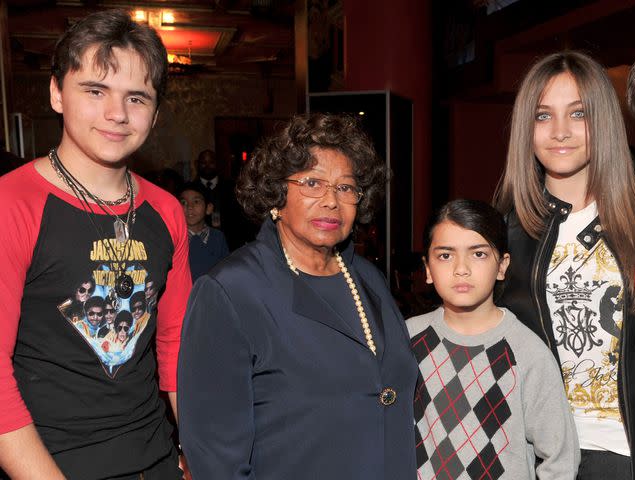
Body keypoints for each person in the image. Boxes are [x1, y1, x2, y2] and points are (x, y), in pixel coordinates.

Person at [0, 9, 191, 480]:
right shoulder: (12, 204)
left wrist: (201, 448)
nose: (117, 114)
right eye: (95, 90)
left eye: (137, 98)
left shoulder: (166, 211)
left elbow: (176, 345)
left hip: (158, 461)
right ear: (56, 93)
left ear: (155, 112)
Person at [178, 113, 419, 479]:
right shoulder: (231, 291)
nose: (330, 201)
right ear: (276, 193)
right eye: (312, 183)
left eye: (346, 188)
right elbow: (215, 458)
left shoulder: (368, 278)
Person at [494, 50, 635, 479]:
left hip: (623, 456)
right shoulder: (504, 234)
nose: (560, 132)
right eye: (543, 116)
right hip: (543, 458)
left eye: (578, 114)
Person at [407, 199, 579, 479]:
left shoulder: (527, 352)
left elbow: (560, 459)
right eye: (445, 256)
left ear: (502, 265)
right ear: (427, 268)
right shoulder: (407, 340)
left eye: (478, 254)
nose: (461, 268)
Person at [178, 181, 229, 281]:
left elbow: (226, 272)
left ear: (208, 208)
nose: (189, 207)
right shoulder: (174, 238)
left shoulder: (218, 237)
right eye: (183, 203)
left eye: (196, 201)